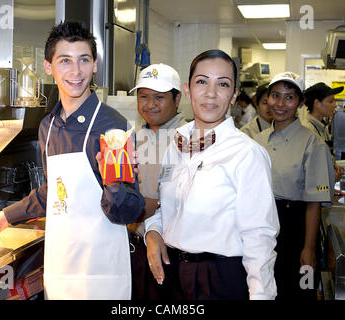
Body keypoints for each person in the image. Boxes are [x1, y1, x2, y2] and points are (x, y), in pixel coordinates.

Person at [0, 21, 145, 300]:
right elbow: (52, 192)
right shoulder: (47, 126)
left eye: (84, 60)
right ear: (48, 67)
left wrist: (114, 186)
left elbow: (130, 210)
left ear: (94, 66)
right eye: (65, 61)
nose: (76, 71)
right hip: (59, 270)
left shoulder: (113, 126)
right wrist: (5, 216)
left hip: (99, 275)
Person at [144, 49, 280, 300]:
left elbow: (259, 237)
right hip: (172, 274)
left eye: (223, 84)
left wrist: (261, 295)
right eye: (202, 81)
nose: (210, 93)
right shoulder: (177, 144)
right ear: (187, 90)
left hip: (219, 278)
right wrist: (152, 231)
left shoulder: (246, 153)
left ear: (234, 95)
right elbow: (169, 209)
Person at [254, 72, 335, 300]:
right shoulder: (258, 141)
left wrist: (308, 248)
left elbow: (315, 200)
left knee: (303, 289)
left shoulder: (313, 144)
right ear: (267, 99)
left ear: (300, 103)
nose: (280, 104)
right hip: (264, 229)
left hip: (298, 230)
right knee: (268, 291)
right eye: (275, 96)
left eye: (289, 97)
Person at [128, 63, 187, 300]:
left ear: (177, 98)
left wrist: (146, 206)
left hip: (169, 249)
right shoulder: (134, 136)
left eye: (159, 97)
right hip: (135, 244)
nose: (150, 104)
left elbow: (180, 197)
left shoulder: (187, 138)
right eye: (144, 97)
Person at [302, 82, 344, 182]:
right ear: (316, 103)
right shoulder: (307, 130)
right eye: (331, 101)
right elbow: (308, 172)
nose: (335, 105)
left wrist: (333, 165)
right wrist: (330, 178)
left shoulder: (322, 127)